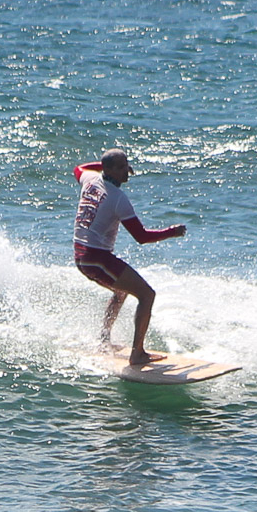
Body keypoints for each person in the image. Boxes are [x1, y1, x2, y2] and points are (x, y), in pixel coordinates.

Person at [72, 148, 186, 365]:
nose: (127, 171)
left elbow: (79, 168)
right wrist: (171, 232)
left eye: (127, 165)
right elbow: (141, 237)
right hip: (96, 258)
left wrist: (104, 166)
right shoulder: (118, 199)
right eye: (121, 167)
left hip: (81, 254)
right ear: (109, 170)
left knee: (121, 291)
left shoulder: (89, 179)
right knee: (147, 295)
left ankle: (104, 339)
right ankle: (138, 354)